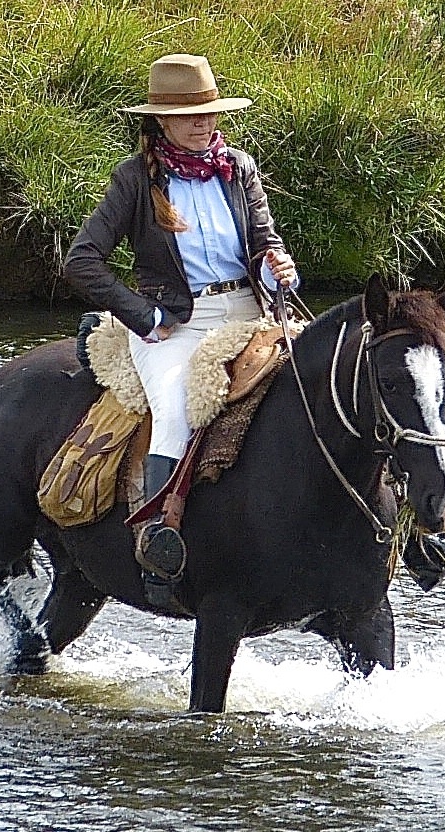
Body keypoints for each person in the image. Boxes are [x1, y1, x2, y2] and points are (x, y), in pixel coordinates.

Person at [63, 53, 299, 593]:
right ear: (161, 122)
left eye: (211, 113)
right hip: (174, 325)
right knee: (176, 409)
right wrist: (143, 316)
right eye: (192, 115)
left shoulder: (238, 168)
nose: (205, 124)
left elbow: (264, 242)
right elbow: (81, 261)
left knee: (325, 387)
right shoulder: (133, 178)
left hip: (248, 312)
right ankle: (158, 543)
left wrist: (279, 267)